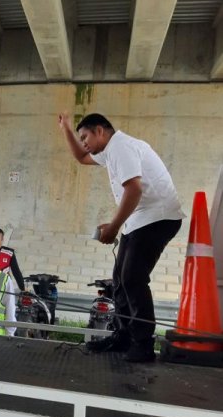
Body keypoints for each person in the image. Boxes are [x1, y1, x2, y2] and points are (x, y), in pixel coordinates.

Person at [58, 112, 183, 362]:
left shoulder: (122, 147)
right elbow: (82, 158)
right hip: (140, 218)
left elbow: (134, 189)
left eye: (85, 136)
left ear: (100, 131)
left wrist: (114, 227)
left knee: (133, 278)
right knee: (120, 280)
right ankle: (124, 336)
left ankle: (143, 345)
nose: (83, 142)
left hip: (158, 218)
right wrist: (67, 129)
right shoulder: (110, 150)